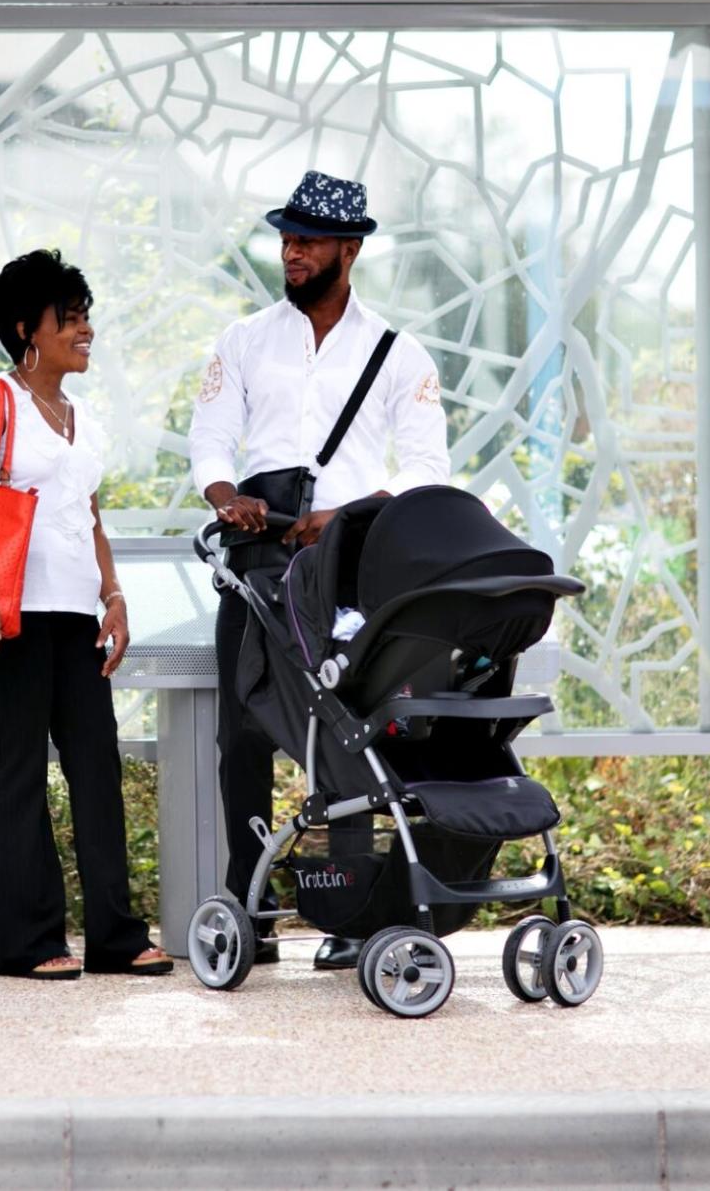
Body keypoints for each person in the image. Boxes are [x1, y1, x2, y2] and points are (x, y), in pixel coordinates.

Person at [188, 170, 450, 969]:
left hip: (349, 560)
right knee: (241, 731)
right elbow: (209, 440)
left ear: (350, 248)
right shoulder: (241, 340)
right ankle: (252, 904)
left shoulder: (399, 355)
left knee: (348, 728)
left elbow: (429, 468)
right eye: (286, 237)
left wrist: (348, 514)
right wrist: (226, 496)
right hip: (257, 548)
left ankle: (351, 911)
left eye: (307, 240)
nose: (290, 251)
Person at [0, 249, 170, 981]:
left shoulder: (82, 417)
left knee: (96, 767)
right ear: (25, 329)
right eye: (68, 318)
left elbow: (89, 514)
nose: (86, 330)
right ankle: (29, 941)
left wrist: (113, 595)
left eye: (85, 316)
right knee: (20, 769)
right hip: (6, 611)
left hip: (74, 612)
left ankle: (115, 934)